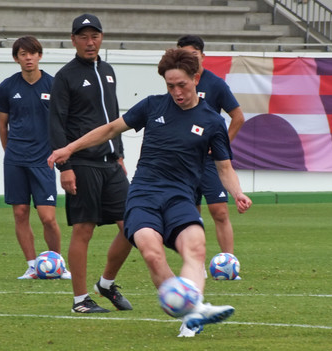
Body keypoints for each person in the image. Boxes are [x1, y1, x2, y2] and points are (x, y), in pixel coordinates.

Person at [48, 49, 252, 335]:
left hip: (181, 197)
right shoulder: (153, 106)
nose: (176, 92)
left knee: (195, 248)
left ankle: (191, 314)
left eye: (182, 84)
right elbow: (109, 129)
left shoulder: (213, 122)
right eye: (170, 86)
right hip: (144, 196)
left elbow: (224, 167)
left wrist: (238, 193)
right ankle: (194, 311)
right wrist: (69, 148)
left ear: (196, 79)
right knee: (151, 251)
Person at [48, 14, 133, 313]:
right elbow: (56, 123)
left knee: (134, 226)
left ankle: (106, 283)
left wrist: (119, 153)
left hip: (111, 164)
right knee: (84, 229)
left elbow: (114, 119)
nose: (90, 41)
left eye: (94, 35)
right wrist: (65, 166)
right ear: (73, 40)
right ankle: (80, 300)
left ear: (102, 37)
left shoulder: (108, 71)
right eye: (83, 36)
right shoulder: (65, 76)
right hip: (81, 164)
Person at [0, 35, 71, 280]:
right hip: (15, 159)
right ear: (16, 58)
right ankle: (31, 266)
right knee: (20, 213)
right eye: (23, 54)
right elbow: (2, 127)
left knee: (48, 217)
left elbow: (63, 123)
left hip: (43, 160)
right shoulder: (7, 87)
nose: (28, 58)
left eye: (33, 53)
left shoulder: (54, 84)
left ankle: (57, 264)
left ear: (40, 55)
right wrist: (11, 153)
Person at [177, 35, 245, 260]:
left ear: (203, 56)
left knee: (220, 211)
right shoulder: (178, 84)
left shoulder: (215, 84)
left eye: (194, 55)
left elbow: (237, 117)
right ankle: (194, 263)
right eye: (185, 56)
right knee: (189, 214)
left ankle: (228, 262)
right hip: (185, 160)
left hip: (209, 163)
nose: (190, 59)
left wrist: (221, 146)